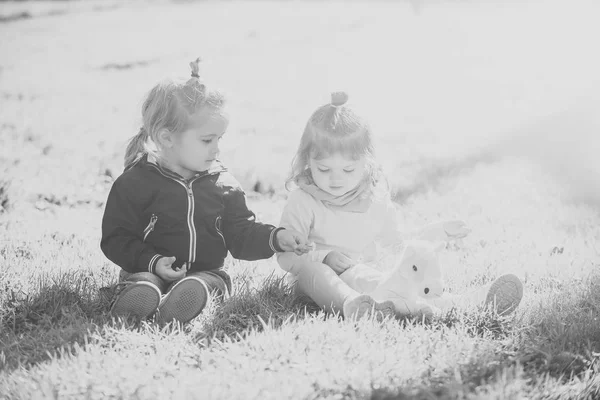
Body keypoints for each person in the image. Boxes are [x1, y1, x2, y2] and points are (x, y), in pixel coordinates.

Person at [277, 92, 523, 320]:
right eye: (324, 169)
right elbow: (287, 256)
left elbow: (397, 246)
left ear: (367, 161)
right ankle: (355, 307)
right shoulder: (303, 200)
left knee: (392, 280)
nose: (336, 179)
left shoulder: (374, 201)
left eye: (348, 169)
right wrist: (324, 256)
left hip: (364, 276)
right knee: (317, 273)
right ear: (307, 160)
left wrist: (434, 232)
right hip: (314, 283)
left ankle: (465, 302)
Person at [101, 58, 311, 325]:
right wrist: (152, 262)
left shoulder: (223, 184)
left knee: (205, 283)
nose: (216, 149)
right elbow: (116, 239)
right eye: (206, 140)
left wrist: (275, 238)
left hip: (205, 272)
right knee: (144, 281)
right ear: (167, 138)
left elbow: (241, 234)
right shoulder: (134, 183)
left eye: (218, 139)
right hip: (147, 268)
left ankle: (184, 300)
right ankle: (139, 299)